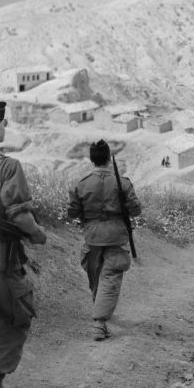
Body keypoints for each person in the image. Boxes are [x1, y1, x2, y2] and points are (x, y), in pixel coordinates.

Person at [0, 101, 47, 388]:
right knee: (15, 319)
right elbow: (19, 216)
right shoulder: (6, 166)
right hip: (1, 264)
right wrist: (38, 234)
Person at [67, 140, 142, 341]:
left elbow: (72, 212)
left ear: (92, 159)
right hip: (116, 237)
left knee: (97, 277)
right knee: (109, 279)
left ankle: (99, 312)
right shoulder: (123, 183)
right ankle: (99, 324)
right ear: (108, 158)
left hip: (92, 238)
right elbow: (136, 210)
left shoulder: (82, 184)